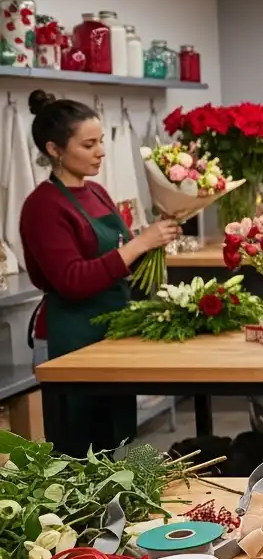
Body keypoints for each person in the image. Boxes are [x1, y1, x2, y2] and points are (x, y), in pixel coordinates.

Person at [20, 90, 181, 456]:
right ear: (55, 149)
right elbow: (72, 280)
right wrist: (138, 245)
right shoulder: (43, 205)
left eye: (101, 142)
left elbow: (119, 261)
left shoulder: (97, 192)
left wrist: (156, 238)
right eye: (88, 144)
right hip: (70, 340)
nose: (101, 152)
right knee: (79, 452)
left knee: (114, 442)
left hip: (111, 335)